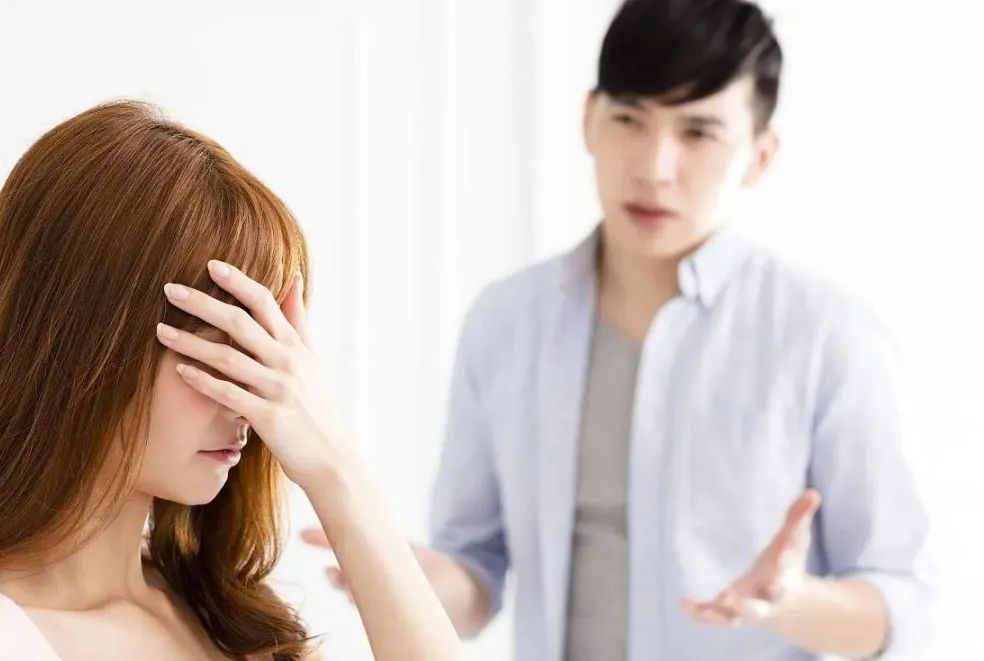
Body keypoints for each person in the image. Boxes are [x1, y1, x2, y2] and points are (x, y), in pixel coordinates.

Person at [303, 0, 932, 659]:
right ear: (589, 119)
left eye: (698, 133)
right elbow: (475, 572)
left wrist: (792, 603)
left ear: (760, 155)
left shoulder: (827, 336)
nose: (654, 167)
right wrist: (409, 577)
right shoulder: (505, 322)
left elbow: (906, 606)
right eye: (630, 119)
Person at [0, 101, 464, 661]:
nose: (252, 406)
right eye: (222, 353)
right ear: (88, 342)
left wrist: (337, 473)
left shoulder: (220, 611)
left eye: (263, 357)